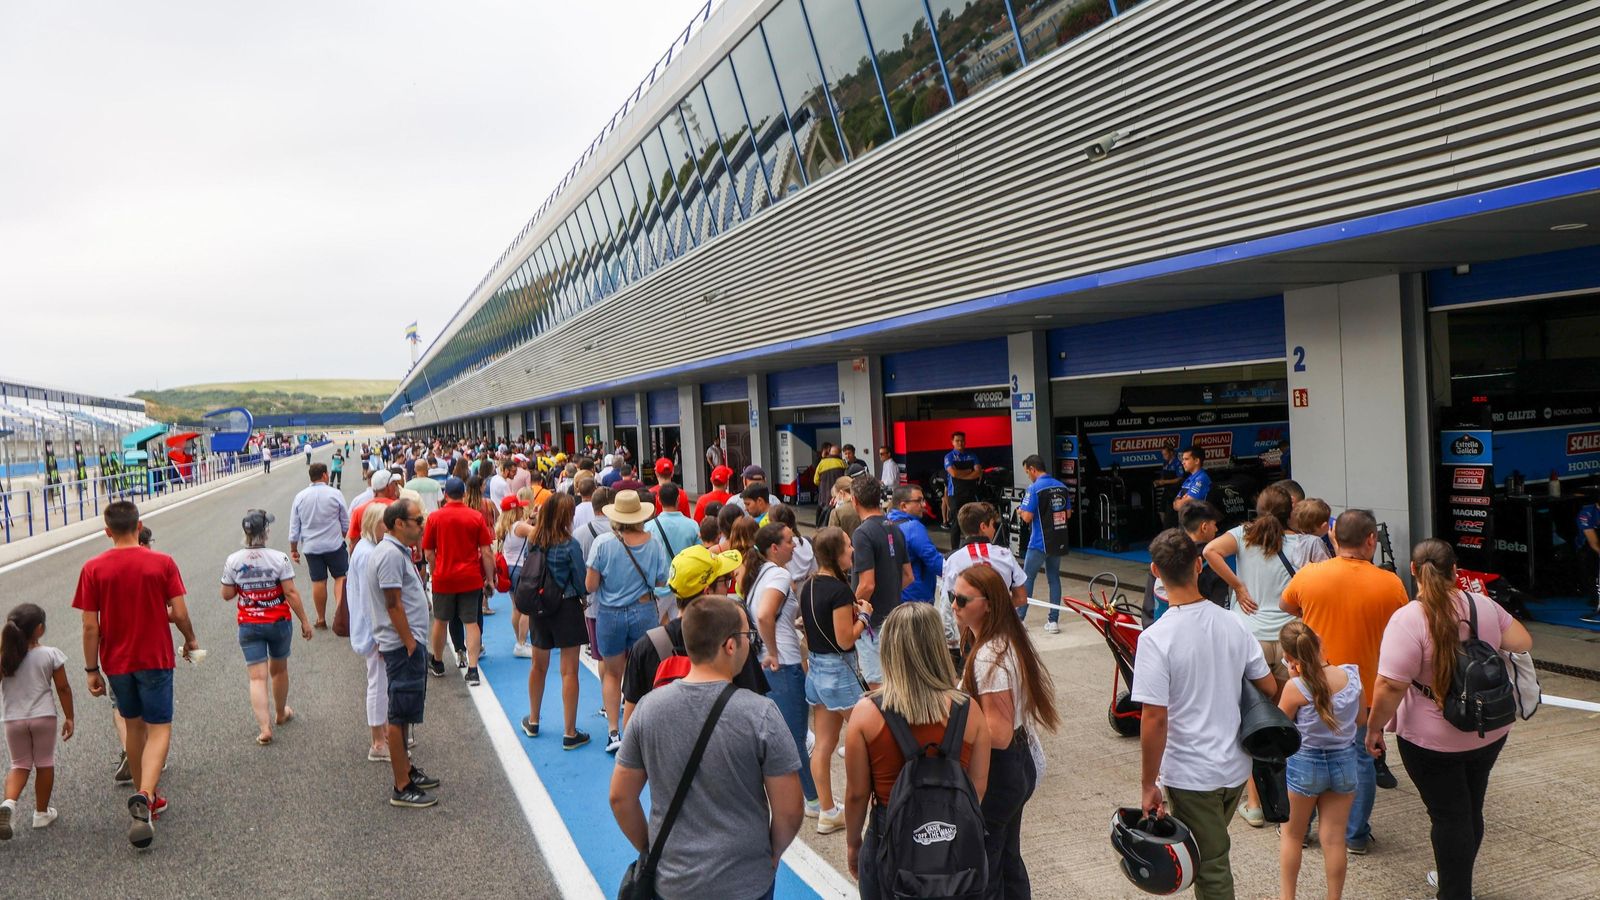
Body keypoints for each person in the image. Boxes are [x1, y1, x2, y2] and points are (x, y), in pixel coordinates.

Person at [1366, 539, 1533, 900]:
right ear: (1455, 570)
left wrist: (1374, 728)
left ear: (1414, 571)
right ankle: (1454, 878)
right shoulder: (1482, 605)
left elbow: (1390, 685)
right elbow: (1521, 641)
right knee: (1470, 808)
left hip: (1432, 739)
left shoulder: (1408, 619)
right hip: (1489, 727)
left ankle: (1455, 890)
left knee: (1449, 816)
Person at [610, 595, 804, 900]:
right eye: (747, 637)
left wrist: (650, 850)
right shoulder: (761, 714)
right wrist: (773, 853)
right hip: (746, 880)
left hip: (673, 881)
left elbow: (620, 797)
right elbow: (790, 810)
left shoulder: (648, 709)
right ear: (730, 645)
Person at [1133, 528, 1274, 900]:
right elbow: (1268, 688)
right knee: (1211, 851)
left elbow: (1154, 718)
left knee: (1212, 865)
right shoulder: (1233, 623)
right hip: (1236, 768)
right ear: (1199, 566)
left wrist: (1149, 784)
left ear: (1154, 571)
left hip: (1193, 774)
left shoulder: (1155, 639)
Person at [1281, 509, 1410, 855]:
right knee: (1361, 759)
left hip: (1310, 685)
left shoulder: (1309, 576)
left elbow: (1286, 605)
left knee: (1303, 753)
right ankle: (1354, 836)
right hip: (1361, 691)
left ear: (1334, 539)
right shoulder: (1391, 584)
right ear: (1371, 540)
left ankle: (1299, 829)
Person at [73, 500, 200, 849]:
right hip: (155, 658)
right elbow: (180, 611)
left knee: (133, 725)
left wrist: (90, 669)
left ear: (107, 531)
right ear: (139, 525)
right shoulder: (162, 563)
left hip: (116, 662)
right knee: (159, 728)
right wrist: (189, 640)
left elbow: (89, 626)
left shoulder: (93, 568)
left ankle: (147, 794)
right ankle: (146, 794)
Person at [844, 602, 991, 896]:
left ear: (889, 650)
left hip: (890, 834)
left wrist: (853, 844)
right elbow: (977, 787)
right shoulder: (969, 711)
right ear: (937, 647)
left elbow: (857, 794)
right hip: (953, 840)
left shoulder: (866, 713)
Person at [1203, 484, 1312, 825]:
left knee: (1252, 722)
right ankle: (1289, 797)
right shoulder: (1302, 544)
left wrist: (1237, 585)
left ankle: (1254, 803)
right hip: (1288, 639)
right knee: (1284, 723)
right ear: (1291, 512)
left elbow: (1209, 551)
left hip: (1248, 637)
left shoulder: (1242, 535)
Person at [953, 564, 1061, 899]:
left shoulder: (989, 656)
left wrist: (951, 726)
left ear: (987, 603)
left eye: (960, 599)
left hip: (999, 771)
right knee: (1007, 857)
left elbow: (997, 734)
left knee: (987, 866)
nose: (953, 606)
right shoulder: (1006, 640)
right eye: (951, 597)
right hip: (1018, 762)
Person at [622, 547, 764, 720]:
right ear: (707, 592)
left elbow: (631, 722)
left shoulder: (647, 646)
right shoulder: (733, 642)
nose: (728, 588)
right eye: (725, 581)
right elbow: (756, 713)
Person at [1276, 620, 1360, 900]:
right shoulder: (1350, 676)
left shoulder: (1296, 688)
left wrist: (1292, 679)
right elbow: (1360, 721)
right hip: (1345, 761)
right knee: (1335, 839)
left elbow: (1280, 727)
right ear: (1318, 643)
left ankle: (1288, 897)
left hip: (1305, 764)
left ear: (1290, 658)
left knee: (1292, 836)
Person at [740, 523, 819, 815]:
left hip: (770, 663)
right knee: (794, 738)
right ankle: (812, 800)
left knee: (778, 737)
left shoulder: (759, 573)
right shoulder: (780, 575)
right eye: (789, 541)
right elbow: (763, 615)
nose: (795, 546)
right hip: (782, 664)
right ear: (774, 548)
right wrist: (773, 651)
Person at [366, 500, 441, 808]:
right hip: (402, 646)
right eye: (417, 519)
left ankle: (407, 769)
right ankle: (401, 785)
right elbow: (393, 603)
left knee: (406, 711)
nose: (421, 524)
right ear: (399, 523)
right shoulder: (389, 557)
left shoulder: (395, 552)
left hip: (406, 644)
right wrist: (409, 641)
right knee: (399, 714)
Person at [587, 490, 671, 753]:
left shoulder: (602, 543)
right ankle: (642, 731)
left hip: (610, 613)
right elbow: (661, 580)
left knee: (613, 673)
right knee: (645, 672)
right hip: (644, 610)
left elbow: (590, 585)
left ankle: (614, 732)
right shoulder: (653, 542)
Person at [798, 526, 870, 833]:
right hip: (838, 673)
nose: (853, 551)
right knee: (871, 738)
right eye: (848, 546)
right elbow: (844, 639)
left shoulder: (810, 585)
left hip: (816, 671)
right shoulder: (840, 591)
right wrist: (864, 616)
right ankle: (871, 805)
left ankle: (826, 810)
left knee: (825, 744)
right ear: (836, 553)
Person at [221, 510, 314, 745]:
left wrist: (247, 585)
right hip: (278, 621)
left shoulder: (233, 560)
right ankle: (281, 713)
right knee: (279, 670)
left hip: (249, 623)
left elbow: (227, 594)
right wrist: (304, 620)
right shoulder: (279, 558)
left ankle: (264, 729)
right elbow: (290, 592)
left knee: (256, 678)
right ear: (266, 532)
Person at [518, 494, 592, 750]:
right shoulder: (570, 544)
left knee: (538, 666)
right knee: (569, 670)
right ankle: (569, 732)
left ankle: (534, 719)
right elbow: (582, 583)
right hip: (567, 606)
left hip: (540, 607)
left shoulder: (535, 540)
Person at [0, 603, 73, 837]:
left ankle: (8, 804)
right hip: (43, 717)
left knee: (19, 764)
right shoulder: (50, 654)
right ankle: (41, 813)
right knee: (44, 762)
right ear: (39, 629)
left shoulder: (5, 657)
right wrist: (69, 717)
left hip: (13, 719)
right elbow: (63, 687)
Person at [421, 476, 495, 687]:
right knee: (471, 623)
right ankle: (473, 669)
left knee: (441, 621)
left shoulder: (435, 518)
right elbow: (486, 552)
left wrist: (436, 573)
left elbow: (428, 553)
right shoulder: (475, 517)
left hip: (444, 578)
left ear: (445, 495)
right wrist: (489, 578)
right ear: (463, 494)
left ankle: (437, 661)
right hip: (470, 577)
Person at [942, 502, 1029, 659]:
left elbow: (951, 605)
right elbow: (1021, 598)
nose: (994, 528)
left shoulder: (952, 560)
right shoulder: (1005, 555)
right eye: (992, 524)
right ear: (983, 526)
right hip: (1005, 628)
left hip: (970, 636)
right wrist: (997, 606)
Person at [851, 477, 912, 689]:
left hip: (872, 623)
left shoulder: (862, 533)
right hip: (894, 617)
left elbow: (867, 584)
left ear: (854, 500)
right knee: (896, 680)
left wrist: (855, 610)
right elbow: (908, 576)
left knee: (876, 686)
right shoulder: (895, 527)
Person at [347, 502, 392, 763]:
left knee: (380, 682)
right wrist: (380, 635)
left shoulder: (367, 548)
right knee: (378, 682)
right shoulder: (367, 553)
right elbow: (369, 599)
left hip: (373, 628)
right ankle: (377, 740)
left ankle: (383, 732)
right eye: (384, 523)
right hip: (375, 631)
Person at [289, 462, 351, 630]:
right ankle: (340, 614)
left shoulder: (300, 497)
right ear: (324, 475)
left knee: (318, 581)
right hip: (334, 544)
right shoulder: (335, 494)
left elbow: (294, 528)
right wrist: (343, 536)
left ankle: (321, 618)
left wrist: (294, 549)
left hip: (312, 547)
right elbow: (345, 522)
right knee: (340, 577)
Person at [1143, 501, 1227, 624]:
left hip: (1162, 631)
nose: (1216, 529)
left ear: (1155, 569)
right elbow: (1219, 611)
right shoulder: (1213, 563)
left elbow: (1148, 612)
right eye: (1214, 524)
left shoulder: (1163, 557)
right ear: (1204, 527)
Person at [1016, 455, 1071, 633]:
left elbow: (1027, 517)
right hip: (1058, 540)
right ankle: (1053, 621)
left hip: (1039, 542)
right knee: (1054, 578)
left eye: (1027, 472)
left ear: (1033, 469)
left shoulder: (1034, 488)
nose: (1028, 476)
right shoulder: (1062, 487)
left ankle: (1020, 619)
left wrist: (1020, 511)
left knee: (1027, 578)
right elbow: (1068, 513)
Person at [886, 485, 944, 607]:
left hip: (893, 598)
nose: (924, 505)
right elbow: (935, 561)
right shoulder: (913, 528)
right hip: (917, 600)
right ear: (903, 506)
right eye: (919, 501)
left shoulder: (884, 525)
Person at [646, 482, 699, 570]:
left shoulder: (649, 527)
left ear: (659, 500)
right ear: (678, 499)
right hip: (686, 580)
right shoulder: (693, 526)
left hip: (660, 582)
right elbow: (699, 555)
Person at [944, 432, 983, 549]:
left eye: (962, 440)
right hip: (955, 494)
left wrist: (962, 474)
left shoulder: (972, 455)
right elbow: (953, 473)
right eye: (957, 441)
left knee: (972, 521)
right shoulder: (949, 456)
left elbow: (978, 472)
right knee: (956, 523)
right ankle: (954, 551)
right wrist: (968, 471)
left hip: (970, 493)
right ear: (952, 442)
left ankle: (972, 548)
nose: (960, 443)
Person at [1578, 500, 1600, 623]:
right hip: (1588, 547)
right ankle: (1595, 596)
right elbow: (1593, 543)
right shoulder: (1587, 513)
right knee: (1587, 557)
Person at [1172, 445, 1211, 514]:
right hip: (1186, 522)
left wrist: (1182, 500)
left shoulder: (1201, 478)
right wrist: (1181, 500)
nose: (1183, 462)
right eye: (1183, 459)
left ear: (1196, 461)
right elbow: (1175, 505)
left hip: (1197, 522)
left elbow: (1181, 505)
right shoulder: (1188, 480)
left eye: (1186, 459)